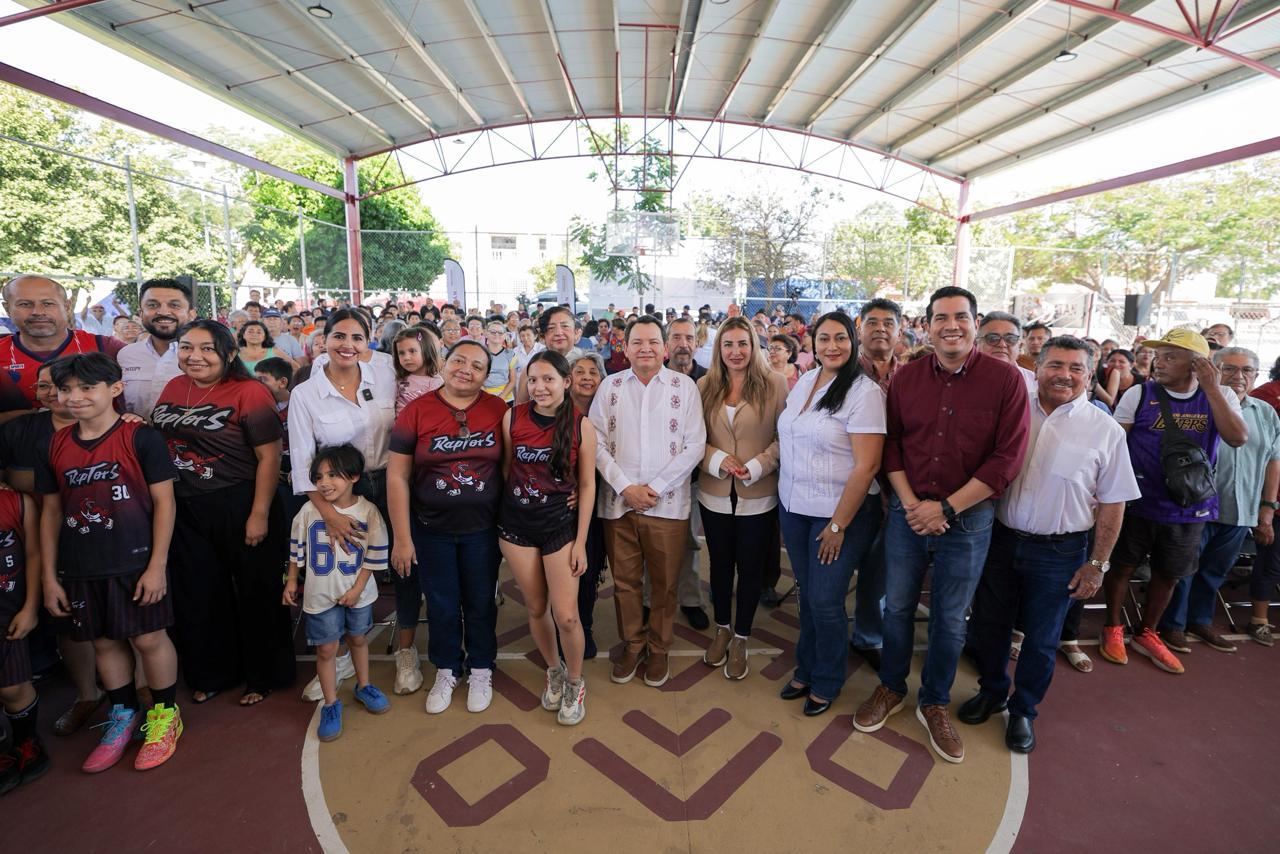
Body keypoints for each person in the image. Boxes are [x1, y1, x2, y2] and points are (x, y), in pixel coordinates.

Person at [853, 286, 1029, 764]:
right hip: (908, 514)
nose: (951, 326)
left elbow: (1006, 459)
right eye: (940, 318)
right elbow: (892, 446)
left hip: (967, 520)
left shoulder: (1006, 380)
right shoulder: (907, 378)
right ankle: (891, 687)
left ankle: (933, 701)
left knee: (950, 618)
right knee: (896, 609)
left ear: (975, 323)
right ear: (927, 325)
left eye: (960, 317)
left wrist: (946, 508)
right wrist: (914, 505)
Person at [960, 337, 1138, 753]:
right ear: (1036, 369)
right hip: (1000, 541)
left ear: (1090, 376)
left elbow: (1114, 504)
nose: (1064, 375)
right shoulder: (1011, 410)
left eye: (1076, 368)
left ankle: (1023, 710)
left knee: (1041, 639)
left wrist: (1098, 564)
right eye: (1055, 365)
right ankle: (991, 691)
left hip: (1060, 552)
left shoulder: (1106, 431)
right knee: (989, 627)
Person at [37, 353, 183, 772]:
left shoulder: (141, 438)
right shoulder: (55, 444)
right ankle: (122, 714)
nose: (75, 397)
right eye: (66, 389)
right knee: (102, 642)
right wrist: (49, 576)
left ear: (115, 389)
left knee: (149, 639)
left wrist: (157, 565)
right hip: (81, 564)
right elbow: (50, 512)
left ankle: (165, 716)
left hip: (135, 561)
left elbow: (165, 502)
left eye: (87, 388)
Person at [153, 320, 295, 706]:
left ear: (228, 353)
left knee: (256, 591)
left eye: (207, 348)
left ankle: (264, 676)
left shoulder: (250, 391)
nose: (194, 356)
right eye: (186, 347)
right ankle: (214, 673)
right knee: (199, 593)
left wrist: (259, 513)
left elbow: (269, 457)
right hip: (186, 507)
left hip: (242, 500)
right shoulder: (173, 387)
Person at [1101, 329, 1247, 674]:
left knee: (1169, 574)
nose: (1159, 363)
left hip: (1188, 504)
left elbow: (1237, 438)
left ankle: (1147, 632)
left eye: (1170, 357)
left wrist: (1211, 388)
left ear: (1197, 364)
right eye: (1158, 356)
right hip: (1137, 501)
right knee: (1122, 567)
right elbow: (1113, 445)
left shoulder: (1221, 394)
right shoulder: (1139, 393)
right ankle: (1113, 627)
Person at [287, 310, 416, 693]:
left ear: (368, 340)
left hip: (393, 481)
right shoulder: (306, 394)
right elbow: (302, 464)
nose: (348, 345)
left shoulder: (386, 372)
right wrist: (329, 514)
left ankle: (406, 652)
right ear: (324, 340)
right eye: (339, 337)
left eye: (357, 338)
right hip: (340, 494)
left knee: (403, 566)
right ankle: (340, 655)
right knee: (339, 573)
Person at [388, 339, 508, 714]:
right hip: (430, 528)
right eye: (459, 360)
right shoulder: (416, 411)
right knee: (440, 603)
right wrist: (403, 538)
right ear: (443, 363)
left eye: (477, 366)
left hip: (483, 529)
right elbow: (397, 476)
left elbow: (513, 467)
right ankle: (446, 668)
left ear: (486, 376)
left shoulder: (499, 410)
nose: (465, 370)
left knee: (480, 601)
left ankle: (481, 667)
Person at [775, 313, 885, 714]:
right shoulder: (806, 381)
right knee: (808, 595)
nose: (832, 346)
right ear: (813, 343)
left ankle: (827, 679)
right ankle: (806, 668)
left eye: (841, 338)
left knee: (824, 600)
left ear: (853, 342)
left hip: (839, 514)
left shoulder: (863, 392)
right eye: (824, 338)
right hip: (795, 507)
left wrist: (838, 524)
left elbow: (867, 466)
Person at [590, 316, 705, 688]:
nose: (646, 349)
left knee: (664, 584)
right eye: (637, 342)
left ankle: (658, 648)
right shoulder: (610, 387)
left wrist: (653, 487)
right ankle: (633, 643)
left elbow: (695, 446)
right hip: (618, 503)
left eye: (653, 342)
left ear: (665, 348)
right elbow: (595, 443)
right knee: (625, 584)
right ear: (624, 348)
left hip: (667, 506)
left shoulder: (684, 387)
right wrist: (626, 488)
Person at [1157, 347, 1279, 653]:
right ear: (1212, 370)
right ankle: (1172, 625)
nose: (1239, 376)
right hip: (1197, 505)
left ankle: (1200, 621)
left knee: (1214, 572)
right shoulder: (1199, 403)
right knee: (1184, 570)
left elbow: (1273, 461)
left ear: (1256, 375)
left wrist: (1267, 507)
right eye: (1229, 369)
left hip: (1241, 508)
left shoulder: (1265, 412)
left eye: (1247, 370)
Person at [498, 352, 597, 725]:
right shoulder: (513, 417)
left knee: (567, 616)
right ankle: (554, 670)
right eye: (533, 379)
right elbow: (508, 468)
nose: (540, 387)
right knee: (537, 607)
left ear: (566, 382)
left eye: (548, 379)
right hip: (517, 528)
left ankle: (575, 681)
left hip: (560, 528)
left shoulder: (582, 425)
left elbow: (587, 484)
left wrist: (581, 540)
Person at [696, 318, 788, 680]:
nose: (736, 352)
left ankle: (741, 636)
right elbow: (692, 438)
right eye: (728, 344)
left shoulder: (776, 384)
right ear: (719, 348)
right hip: (715, 490)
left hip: (758, 491)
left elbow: (784, 436)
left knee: (750, 567)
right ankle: (721, 628)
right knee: (720, 564)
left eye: (742, 344)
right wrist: (717, 459)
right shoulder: (704, 385)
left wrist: (760, 464)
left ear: (754, 346)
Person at [285, 445, 391, 741]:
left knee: (358, 639)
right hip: (320, 595)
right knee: (326, 649)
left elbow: (375, 554)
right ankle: (331, 704)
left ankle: (364, 685)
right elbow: (295, 548)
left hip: (359, 593)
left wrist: (357, 589)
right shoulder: (309, 511)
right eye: (318, 477)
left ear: (354, 476)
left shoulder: (368, 511)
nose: (324, 483)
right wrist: (291, 580)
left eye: (333, 475)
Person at [0, 275, 124, 422]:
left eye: (48, 303)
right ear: (7, 308)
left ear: (67, 305)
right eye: (25, 304)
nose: (37, 311)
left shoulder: (108, 347)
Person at [662, 316, 710, 629]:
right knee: (652, 543)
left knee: (690, 541)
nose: (683, 344)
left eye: (689, 338)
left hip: (693, 479)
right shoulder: (655, 377)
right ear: (667, 343)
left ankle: (690, 600)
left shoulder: (709, 380)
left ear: (697, 342)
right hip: (655, 478)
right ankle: (650, 601)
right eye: (676, 338)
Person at [0, 487, 47, 794]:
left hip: (9, 615)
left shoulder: (14, 503)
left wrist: (30, 608)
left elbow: (33, 554)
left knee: (12, 687)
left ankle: (27, 741)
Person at [567, 352, 608, 658]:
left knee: (589, 565)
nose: (586, 377)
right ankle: (563, 624)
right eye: (579, 371)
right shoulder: (557, 410)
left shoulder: (607, 412)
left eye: (593, 372)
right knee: (563, 567)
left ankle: (586, 624)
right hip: (563, 502)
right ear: (568, 379)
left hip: (599, 498)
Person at [119, 278, 196, 420]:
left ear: (191, 314)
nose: (163, 312)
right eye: (152, 305)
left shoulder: (207, 357)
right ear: (141, 314)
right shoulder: (125, 355)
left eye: (174, 305)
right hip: (134, 434)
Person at [515, 307, 581, 405]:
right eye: (551, 328)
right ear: (543, 336)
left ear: (577, 333)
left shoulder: (588, 365)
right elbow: (520, 406)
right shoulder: (532, 368)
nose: (558, 333)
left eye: (565, 326)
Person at [977, 312, 1036, 393]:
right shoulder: (962, 380)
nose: (1002, 344)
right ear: (977, 343)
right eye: (993, 338)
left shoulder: (1035, 383)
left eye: (1010, 339)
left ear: (1019, 345)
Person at [392, 326, 443, 416]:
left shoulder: (435, 382)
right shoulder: (399, 378)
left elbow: (435, 412)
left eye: (412, 351)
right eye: (401, 353)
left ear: (426, 351)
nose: (406, 358)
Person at [856, 299, 902, 393]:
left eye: (888, 324)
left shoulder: (910, 375)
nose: (880, 328)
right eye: (872, 323)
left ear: (899, 334)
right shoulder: (844, 373)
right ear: (859, 332)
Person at [482, 318, 518, 402]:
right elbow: (475, 379)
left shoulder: (511, 354)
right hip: (483, 396)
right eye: (493, 332)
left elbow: (513, 381)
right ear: (486, 334)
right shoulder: (479, 353)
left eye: (500, 332)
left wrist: (500, 398)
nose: (496, 334)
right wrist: (487, 397)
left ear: (505, 335)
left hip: (506, 398)